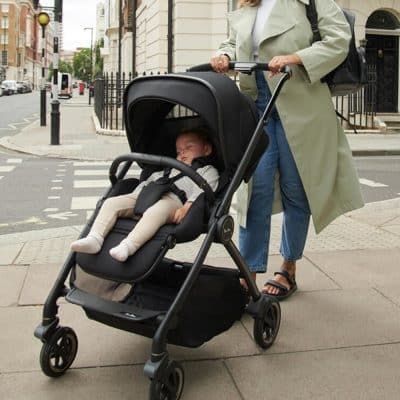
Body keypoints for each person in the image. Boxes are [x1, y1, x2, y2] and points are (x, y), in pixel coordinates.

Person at [211, 0, 363, 299]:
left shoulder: (311, 2)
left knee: (298, 189)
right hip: (258, 107)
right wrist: (224, 54)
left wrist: (296, 57)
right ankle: (248, 273)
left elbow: (338, 40)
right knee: (254, 192)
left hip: (302, 107)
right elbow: (234, 41)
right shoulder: (249, 4)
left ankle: (288, 267)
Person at [71, 128, 219, 262]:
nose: (182, 153)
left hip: (174, 200)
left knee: (156, 212)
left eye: (189, 148)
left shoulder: (207, 170)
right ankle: (95, 238)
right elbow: (152, 179)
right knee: (111, 203)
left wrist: (187, 208)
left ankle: (128, 246)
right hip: (148, 193)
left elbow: (203, 190)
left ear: (206, 149)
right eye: (179, 151)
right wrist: (137, 197)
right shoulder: (170, 168)